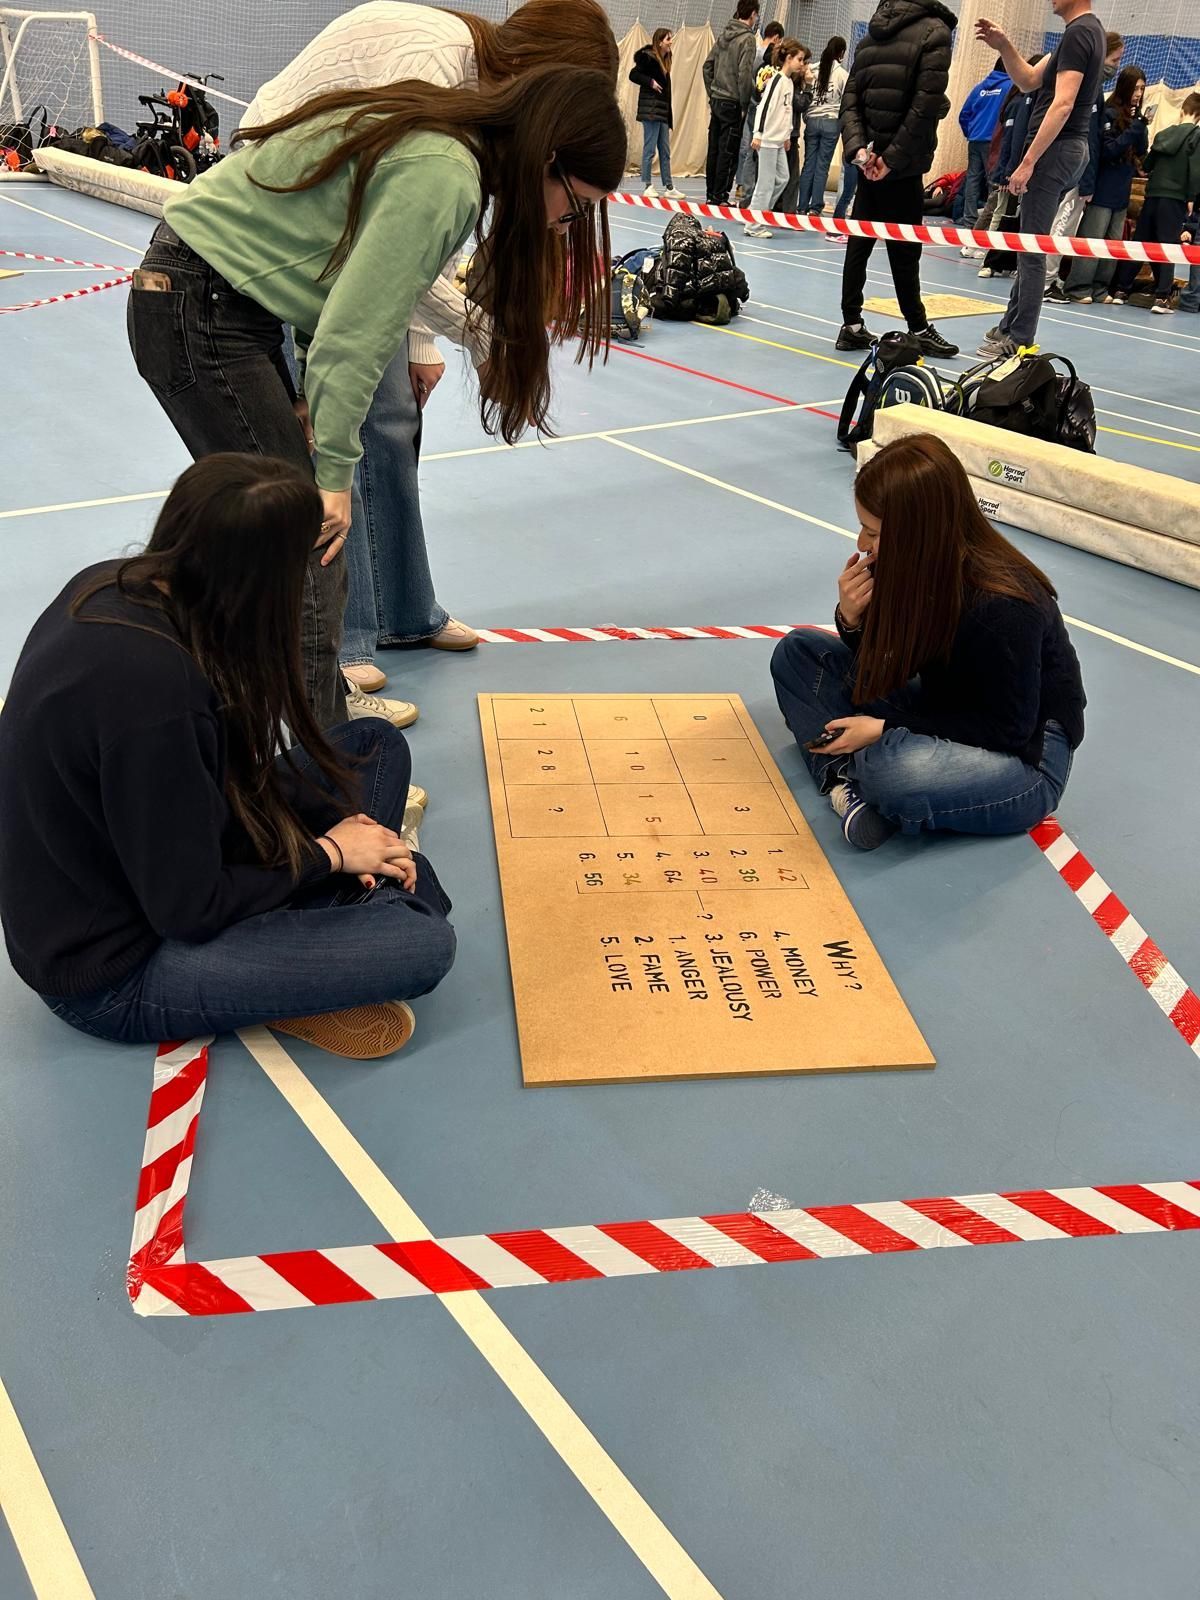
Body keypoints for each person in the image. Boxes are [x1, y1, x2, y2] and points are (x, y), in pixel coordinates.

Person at [128, 67, 625, 731]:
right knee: (311, 539)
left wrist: (307, 391)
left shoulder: (448, 143)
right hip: (202, 305)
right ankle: (327, 768)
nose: (568, 221)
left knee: (269, 538)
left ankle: (248, 716)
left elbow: (320, 262)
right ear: (548, 158)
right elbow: (358, 331)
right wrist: (332, 473)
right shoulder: (446, 175)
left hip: (214, 301)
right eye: (575, 203)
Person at [0, 455, 457, 1057]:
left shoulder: (113, 581)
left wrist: (336, 849)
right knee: (423, 942)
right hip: (117, 970)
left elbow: (217, 778)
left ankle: (329, 922)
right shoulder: (155, 699)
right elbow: (189, 909)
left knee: (376, 745)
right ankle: (324, 934)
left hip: (156, 857)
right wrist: (329, 855)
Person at [238, 0, 620, 709]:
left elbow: (407, 243)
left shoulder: (471, 108)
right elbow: (382, 243)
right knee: (338, 425)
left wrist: (439, 337)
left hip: (358, 218)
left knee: (392, 422)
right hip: (287, 193)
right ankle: (342, 649)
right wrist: (442, 334)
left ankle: (407, 613)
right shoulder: (440, 70)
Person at [770, 434, 1085, 852]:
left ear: (916, 533)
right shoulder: (912, 566)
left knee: (892, 769)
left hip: (1025, 759)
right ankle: (848, 785)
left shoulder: (1005, 605)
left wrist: (883, 729)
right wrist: (851, 619)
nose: (862, 545)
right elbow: (884, 670)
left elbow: (1006, 730)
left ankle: (864, 778)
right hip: (947, 706)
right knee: (799, 652)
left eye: (872, 532)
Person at [974, 1, 1109, 358]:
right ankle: (1009, 324)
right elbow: (1029, 80)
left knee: (1032, 248)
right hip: (1066, 151)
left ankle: (1018, 338)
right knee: (1028, 243)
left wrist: (1029, 160)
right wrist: (1005, 46)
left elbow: (1062, 104)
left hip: (1057, 152)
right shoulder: (1077, 34)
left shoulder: (1081, 33)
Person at [836, 0, 960, 359]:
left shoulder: (869, 36)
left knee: (860, 244)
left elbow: (850, 104)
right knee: (905, 250)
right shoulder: (935, 32)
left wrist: (862, 153)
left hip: (871, 162)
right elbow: (923, 108)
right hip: (899, 167)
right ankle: (918, 329)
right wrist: (890, 161)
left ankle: (852, 326)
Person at [1042, 31, 1123, 300]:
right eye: (1115, 58)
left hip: (1076, 169)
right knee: (1060, 227)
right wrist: (1086, 180)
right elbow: (1087, 138)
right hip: (1072, 172)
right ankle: (1046, 281)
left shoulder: (1093, 88)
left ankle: (1046, 277)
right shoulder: (1085, 88)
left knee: (1061, 227)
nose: (1116, 65)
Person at [1057, 65, 1147, 303]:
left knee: (1113, 242)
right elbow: (1107, 150)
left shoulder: (1134, 118)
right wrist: (1132, 130)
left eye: (1142, 88)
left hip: (1122, 189)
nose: (1138, 93)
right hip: (1104, 185)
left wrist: (1142, 127)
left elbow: (1140, 151)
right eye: (1136, 87)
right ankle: (1078, 286)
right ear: (1125, 86)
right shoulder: (1109, 112)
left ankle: (1100, 288)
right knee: (1092, 238)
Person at [1105, 94, 1200, 313]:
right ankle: (1162, 297)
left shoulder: (1164, 134)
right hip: (1175, 197)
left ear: (1182, 110)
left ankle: (1121, 290)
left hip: (1152, 195)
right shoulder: (1196, 136)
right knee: (1167, 247)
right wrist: (1192, 197)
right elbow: (1196, 170)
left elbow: (1147, 165)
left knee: (1141, 243)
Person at [744, 37, 808, 237]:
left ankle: (761, 215)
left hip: (780, 140)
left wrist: (788, 134)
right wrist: (758, 134)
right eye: (800, 59)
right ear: (788, 58)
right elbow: (763, 108)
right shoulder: (777, 81)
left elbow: (787, 111)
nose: (802, 64)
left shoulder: (789, 83)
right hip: (768, 140)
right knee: (765, 183)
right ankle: (753, 224)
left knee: (783, 178)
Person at [705, 0, 760, 205]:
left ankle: (711, 193)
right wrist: (745, 103)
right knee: (728, 152)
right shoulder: (748, 39)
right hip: (733, 102)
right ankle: (720, 196)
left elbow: (707, 67)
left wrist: (712, 92)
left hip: (717, 99)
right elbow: (744, 75)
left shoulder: (723, 35)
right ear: (753, 14)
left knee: (714, 149)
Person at [795, 35, 847, 215]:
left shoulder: (811, 70)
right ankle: (815, 207)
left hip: (812, 121)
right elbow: (846, 100)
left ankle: (801, 205)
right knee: (822, 166)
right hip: (831, 122)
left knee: (809, 164)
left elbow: (805, 89)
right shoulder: (841, 74)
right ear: (841, 53)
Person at [957, 56, 1010, 226]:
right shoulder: (1010, 87)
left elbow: (964, 114)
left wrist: (970, 133)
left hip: (975, 139)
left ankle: (969, 218)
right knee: (992, 181)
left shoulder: (979, 88)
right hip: (994, 141)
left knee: (972, 179)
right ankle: (987, 222)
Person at [631, 28, 683, 199]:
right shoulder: (648, 57)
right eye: (668, 39)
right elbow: (633, 74)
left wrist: (669, 116)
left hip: (662, 112)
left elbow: (666, 92)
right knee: (649, 149)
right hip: (651, 111)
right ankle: (647, 184)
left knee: (665, 151)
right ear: (660, 41)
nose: (671, 41)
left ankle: (669, 186)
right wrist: (650, 82)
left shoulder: (666, 59)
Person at [735, 19, 784, 199]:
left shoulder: (753, 50)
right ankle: (748, 189)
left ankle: (743, 185)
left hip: (750, 103)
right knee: (753, 147)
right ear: (776, 38)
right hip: (757, 105)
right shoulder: (765, 57)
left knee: (747, 146)